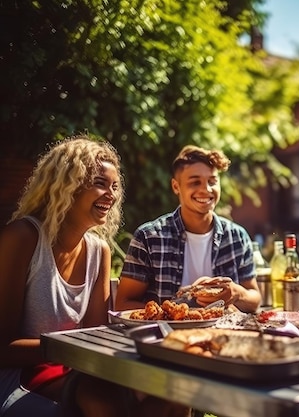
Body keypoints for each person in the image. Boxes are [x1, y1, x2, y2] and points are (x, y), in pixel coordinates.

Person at [0, 135, 189, 417]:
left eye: (114, 187)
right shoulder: (23, 237)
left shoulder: (99, 251)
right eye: (100, 183)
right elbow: (4, 347)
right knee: (103, 403)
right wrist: (73, 346)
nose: (111, 195)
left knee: (174, 396)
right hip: (22, 376)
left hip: (79, 368)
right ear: (66, 184)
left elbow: (95, 338)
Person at [116, 145, 261, 313]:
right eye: (195, 182)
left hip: (224, 335)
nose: (206, 189)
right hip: (165, 336)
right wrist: (177, 314)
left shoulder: (237, 236)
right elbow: (123, 304)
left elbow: (255, 300)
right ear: (176, 186)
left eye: (212, 181)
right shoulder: (148, 237)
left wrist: (237, 293)